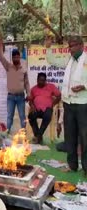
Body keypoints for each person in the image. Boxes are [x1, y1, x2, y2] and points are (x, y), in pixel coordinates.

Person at [45, 35, 87, 175]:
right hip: (68, 103)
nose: (71, 49)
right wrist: (48, 47)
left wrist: (84, 86)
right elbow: (52, 61)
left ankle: (86, 168)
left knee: (85, 137)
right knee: (69, 136)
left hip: (83, 104)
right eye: (69, 46)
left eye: (74, 45)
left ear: (81, 45)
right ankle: (72, 165)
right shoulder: (69, 60)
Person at [0, 40, 30, 132]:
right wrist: (0, 46)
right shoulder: (8, 66)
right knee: (9, 116)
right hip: (11, 96)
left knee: (22, 116)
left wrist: (29, 94)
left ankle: (24, 134)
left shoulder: (23, 69)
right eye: (14, 57)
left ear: (19, 57)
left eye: (17, 57)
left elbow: (27, 83)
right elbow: (1, 58)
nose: (16, 59)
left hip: (21, 96)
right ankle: (7, 133)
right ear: (12, 58)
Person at [28, 72, 61, 144]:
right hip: (36, 109)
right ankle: (38, 136)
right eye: (40, 80)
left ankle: (38, 136)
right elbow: (30, 100)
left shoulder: (51, 86)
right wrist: (32, 106)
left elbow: (59, 96)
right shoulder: (33, 89)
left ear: (45, 80)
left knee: (47, 116)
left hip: (47, 109)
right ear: (37, 80)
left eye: (43, 80)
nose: (41, 82)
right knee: (30, 116)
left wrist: (53, 103)